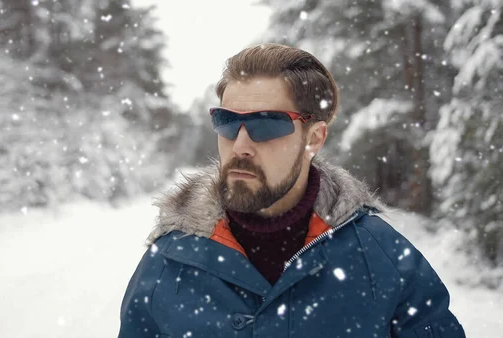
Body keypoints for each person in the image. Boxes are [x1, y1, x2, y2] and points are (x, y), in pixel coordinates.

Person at [118, 43, 465, 337]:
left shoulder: (382, 259)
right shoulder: (170, 259)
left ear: (313, 138)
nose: (240, 146)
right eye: (226, 122)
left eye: (265, 125)